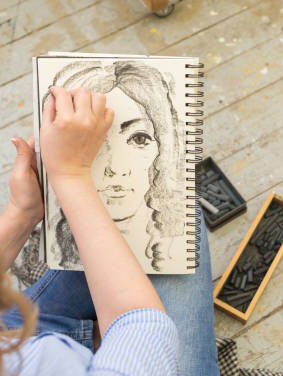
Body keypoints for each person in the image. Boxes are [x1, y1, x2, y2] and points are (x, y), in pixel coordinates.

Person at [0, 87, 220, 375]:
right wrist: (71, 175)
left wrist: (23, 213)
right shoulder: (40, 363)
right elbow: (144, 329)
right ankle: (89, 340)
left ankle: (85, 334)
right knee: (178, 217)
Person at [44, 61, 184, 272]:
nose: (117, 168)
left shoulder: (173, 246)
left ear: (163, 150)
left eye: (139, 138)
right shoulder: (54, 251)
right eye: (94, 142)